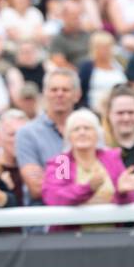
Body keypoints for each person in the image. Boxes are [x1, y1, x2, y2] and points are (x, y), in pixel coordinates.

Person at [41, 109, 134, 221]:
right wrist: (88, 188)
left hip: (112, 232)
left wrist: (123, 193)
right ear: (69, 136)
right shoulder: (62, 162)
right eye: (76, 129)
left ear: (97, 134)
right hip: (71, 234)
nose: (82, 132)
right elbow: (56, 197)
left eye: (87, 128)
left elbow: (129, 200)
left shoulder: (110, 158)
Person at [15, 67, 81, 203]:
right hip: (44, 216)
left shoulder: (87, 129)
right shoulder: (27, 133)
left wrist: (49, 177)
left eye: (65, 90)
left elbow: (100, 179)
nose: (59, 94)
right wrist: (83, 183)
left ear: (77, 94)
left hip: (82, 217)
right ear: (45, 93)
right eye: (54, 90)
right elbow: (36, 188)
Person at [102, 83, 134, 168]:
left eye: (131, 112)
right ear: (109, 114)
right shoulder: (99, 146)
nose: (126, 118)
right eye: (120, 113)